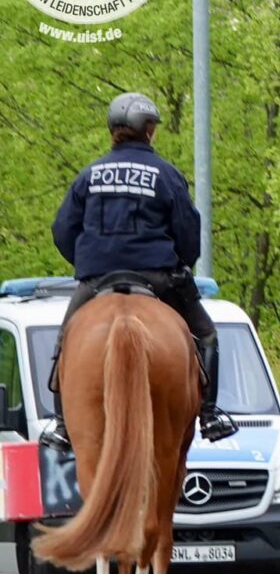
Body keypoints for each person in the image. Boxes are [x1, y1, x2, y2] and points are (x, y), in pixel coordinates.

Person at [42, 92, 237, 452]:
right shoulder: (166, 175)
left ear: (113, 130)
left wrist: (86, 264)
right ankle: (209, 414)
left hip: (97, 280)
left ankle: (63, 425)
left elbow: (63, 230)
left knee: (65, 340)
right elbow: (188, 233)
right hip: (158, 278)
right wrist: (182, 264)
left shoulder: (89, 175)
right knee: (207, 334)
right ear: (148, 130)